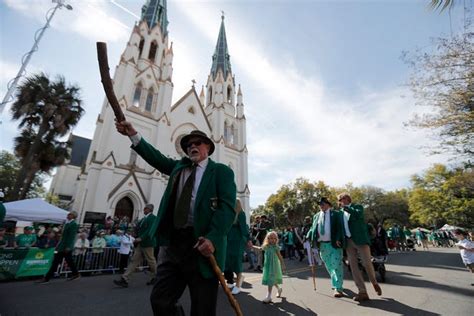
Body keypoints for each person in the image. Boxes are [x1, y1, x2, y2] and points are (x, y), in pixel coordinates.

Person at [115, 121, 236, 316]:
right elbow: (156, 158)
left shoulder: (222, 172)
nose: (193, 146)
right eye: (189, 145)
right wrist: (133, 135)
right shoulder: (178, 167)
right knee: (160, 300)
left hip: (203, 246)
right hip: (174, 245)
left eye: (198, 143)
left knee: (203, 308)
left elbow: (227, 210)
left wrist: (212, 238)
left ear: (208, 148)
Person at [338, 192, 382, 301]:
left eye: (342, 198)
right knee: (353, 266)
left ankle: (374, 282)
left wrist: (347, 209)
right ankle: (362, 292)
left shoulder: (357, 207)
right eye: (339, 200)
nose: (341, 201)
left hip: (360, 240)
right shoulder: (340, 213)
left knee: (367, 263)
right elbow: (340, 227)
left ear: (348, 199)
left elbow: (358, 215)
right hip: (348, 242)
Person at [307, 197, 346, 297]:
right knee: (329, 265)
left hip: (334, 244)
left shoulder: (336, 214)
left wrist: (338, 238)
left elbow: (339, 228)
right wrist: (308, 235)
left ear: (328, 204)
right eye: (320, 204)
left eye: (323, 203)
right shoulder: (316, 216)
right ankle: (336, 282)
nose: (321, 205)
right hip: (323, 245)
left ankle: (338, 288)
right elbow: (313, 228)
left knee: (336, 264)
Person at [114, 204, 157, 287]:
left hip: (148, 243)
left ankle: (156, 276)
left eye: (145, 208)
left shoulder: (153, 218)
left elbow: (150, 230)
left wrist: (141, 238)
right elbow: (138, 228)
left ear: (149, 209)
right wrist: (134, 234)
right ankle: (125, 279)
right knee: (134, 260)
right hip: (140, 244)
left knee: (151, 261)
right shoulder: (143, 219)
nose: (144, 210)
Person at [38, 211, 80, 283]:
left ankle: (46, 278)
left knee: (59, 262)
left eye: (70, 214)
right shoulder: (67, 223)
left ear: (73, 216)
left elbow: (71, 236)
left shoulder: (74, 224)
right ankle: (76, 274)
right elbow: (63, 236)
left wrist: (68, 246)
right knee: (66, 261)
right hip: (62, 246)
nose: (68, 215)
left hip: (65, 247)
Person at [224, 199, 251, 295]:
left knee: (237, 261)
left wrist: (248, 239)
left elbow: (244, 228)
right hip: (229, 240)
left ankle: (238, 285)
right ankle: (231, 282)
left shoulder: (241, 214)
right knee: (228, 260)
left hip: (238, 241)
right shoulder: (229, 214)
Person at [253, 231, 285, 303]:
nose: (272, 240)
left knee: (271, 279)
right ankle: (279, 289)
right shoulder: (266, 246)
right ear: (267, 239)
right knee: (272, 280)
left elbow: (280, 256)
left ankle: (269, 296)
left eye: (274, 238)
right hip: (268, 265)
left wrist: (283, 265)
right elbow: (260, 249)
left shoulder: (276, 247)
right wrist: (252, 246)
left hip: (274, 266)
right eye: (270, 238)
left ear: (276, 239)